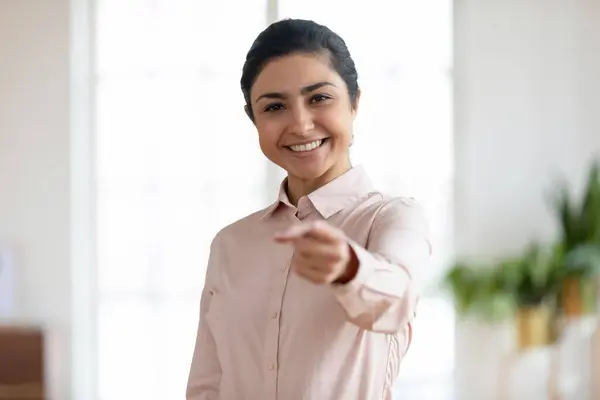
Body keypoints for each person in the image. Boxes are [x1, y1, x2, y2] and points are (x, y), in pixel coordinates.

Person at [186, 18, 431, 400]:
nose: (300, 124)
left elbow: (395, 301)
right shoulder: (229, 245)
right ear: (254, 119)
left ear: (355, 103)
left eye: (319, 98)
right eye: (274, 107)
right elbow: (207, 385)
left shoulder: (393, 218)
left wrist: (348, 267)